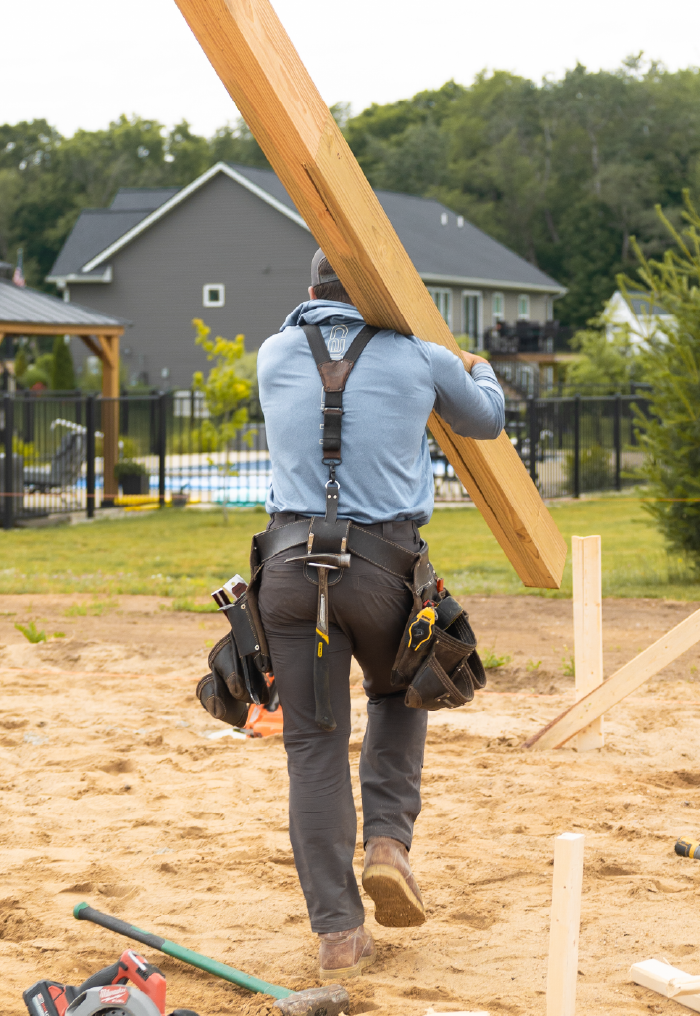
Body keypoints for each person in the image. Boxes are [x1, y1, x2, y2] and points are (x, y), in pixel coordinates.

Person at [254, 249, 505, 979]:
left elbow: (307, 339)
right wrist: (475, 365)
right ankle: (389, 844)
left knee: (312, 748)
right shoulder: (419, 358)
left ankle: (338, 934)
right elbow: (485, 422)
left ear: (309, 294)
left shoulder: (274, 353)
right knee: (398, 693)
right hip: (382, 568)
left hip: (290, 569)